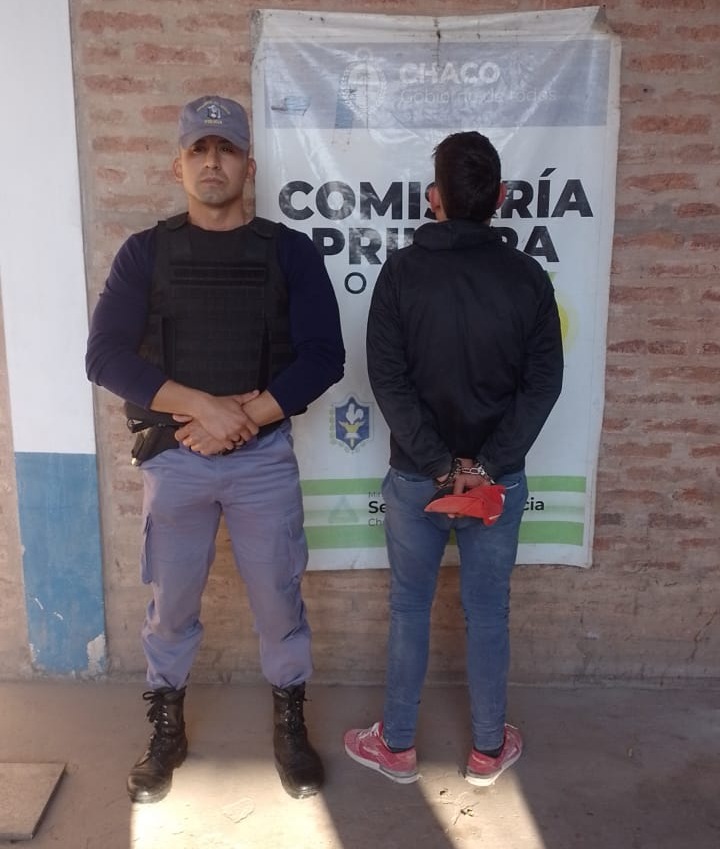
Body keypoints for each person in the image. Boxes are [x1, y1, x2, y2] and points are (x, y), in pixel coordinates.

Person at [86, 95, 345, 803]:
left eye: (225, 149)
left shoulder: (289, 251)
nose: (211, 161)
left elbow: (324, 356)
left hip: (261, 461)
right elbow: (104, 356)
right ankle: (166, 729)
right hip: (175, 456)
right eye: (198, 150)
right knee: (170, 606)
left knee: (279, 600)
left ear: (247, 166)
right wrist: (202, 407)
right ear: (178, 166)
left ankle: (290, 724)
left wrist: (244, 417)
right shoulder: (146, 252)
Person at [344, 131, 563, 786]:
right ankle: (488, 751)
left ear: (433, 197)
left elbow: (387, 380)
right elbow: (543, 385)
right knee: (488, 612)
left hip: (418, 478)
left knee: (410, 607)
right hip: (495, 484)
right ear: (501, 197)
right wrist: (486, 467)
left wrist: (442, 465)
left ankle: (397, 746)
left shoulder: (400, 274)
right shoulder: (527, 278)